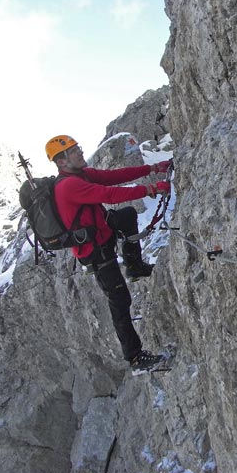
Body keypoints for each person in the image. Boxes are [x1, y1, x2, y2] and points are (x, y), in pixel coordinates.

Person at [45, 134, 171, 373]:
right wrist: (150, 188)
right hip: (95, 251)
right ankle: (135, 358)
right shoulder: (70, 185)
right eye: (73, 151)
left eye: (77, 147)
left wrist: (152, 168)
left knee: (126, 215)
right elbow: (108, 195)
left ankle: (134, 266)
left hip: (102, 229)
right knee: (120, 300)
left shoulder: (80, 175)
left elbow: (114, 177)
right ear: (61, 162)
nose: (79, 152)